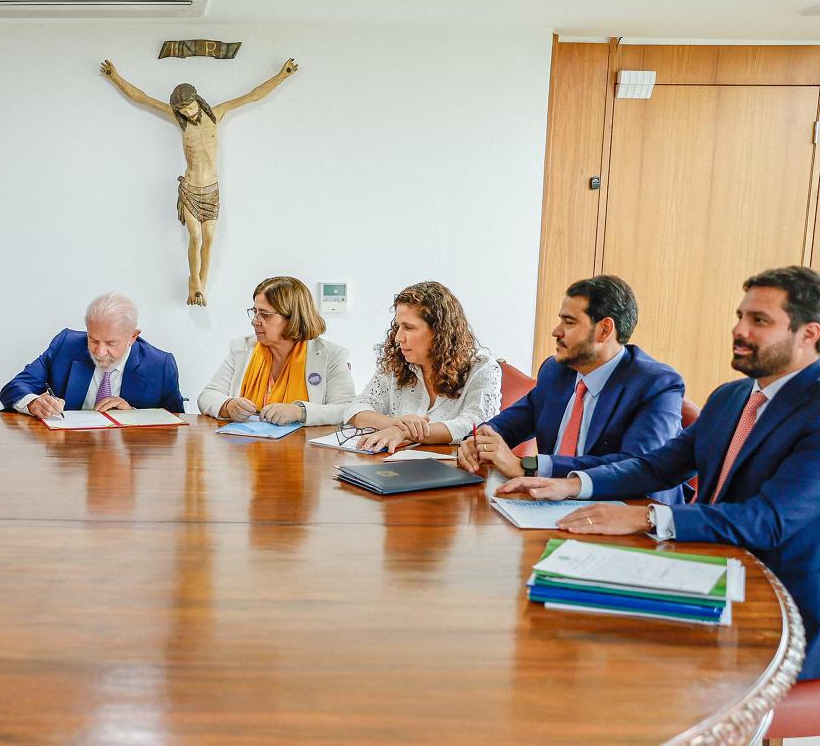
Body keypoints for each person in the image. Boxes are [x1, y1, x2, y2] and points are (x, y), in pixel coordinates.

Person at [498, 266, 820, 681]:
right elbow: (657, 465)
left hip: (787, 607)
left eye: (759, 321)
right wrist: (571, 484)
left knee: (647, 674)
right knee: (568, 624)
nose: (739, 330)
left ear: (809, 334)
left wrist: (647, 517)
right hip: (706, 568)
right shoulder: (731, 397)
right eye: (740, 316)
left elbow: (770, 520)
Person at [457, 275, 685, 504]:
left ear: (604, 330)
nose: (556, 331)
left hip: (630, 510)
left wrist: (529, 466)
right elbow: (511, 422)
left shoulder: (656, 384)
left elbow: (635, 466)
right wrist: (478, 441)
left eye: (569, 322)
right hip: (552, 504)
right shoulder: (556, 371)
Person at [101, 58, 298, 306]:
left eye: (191, 107)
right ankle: (193, 282)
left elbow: (253, 96)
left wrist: (282, 75)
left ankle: (201, 288)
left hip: (212, 190)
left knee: (210, 238)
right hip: (191, 189)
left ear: (198, 100)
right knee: (195, 237)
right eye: (183, 110)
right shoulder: (179, 121)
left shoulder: (216, 114)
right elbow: (143, 98)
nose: (188, 112)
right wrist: (114, 77)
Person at [344, 282, 501, 452]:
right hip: (398, 466)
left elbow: (475, 423)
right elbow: (357, 408)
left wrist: (406, 433)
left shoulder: (482, 367)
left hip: (457, 469)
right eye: (398, 326)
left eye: (409, 327)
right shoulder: (398, 361)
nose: (398, 337)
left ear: (439, 332)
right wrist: (396, 425)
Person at [197, 276, 355, 426]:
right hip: (245, 449)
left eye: (265, 314)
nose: (254, 321)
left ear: (293, 318)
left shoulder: (331, 355)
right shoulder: (242, 348)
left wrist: (300, 412)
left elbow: (347, 409)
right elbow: (207, 396)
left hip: (305, 451)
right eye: (254, 312)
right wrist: (228, 405)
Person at [1, 293, 184, 417]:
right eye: (93, 340)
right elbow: (15, 387)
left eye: (111, 343)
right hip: (72, 458)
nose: (99, 352)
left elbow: (177, 424)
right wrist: (34, 403)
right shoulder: (66, 345)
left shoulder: (160, 365)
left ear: (133, 337)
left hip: (128, 463)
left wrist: (133, 415)